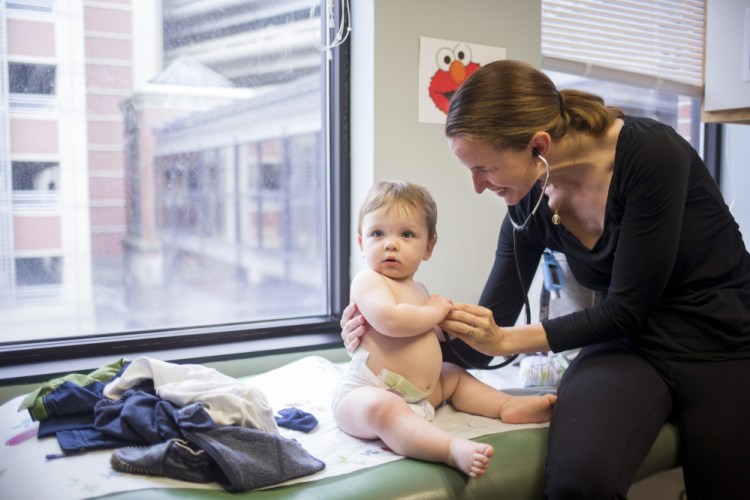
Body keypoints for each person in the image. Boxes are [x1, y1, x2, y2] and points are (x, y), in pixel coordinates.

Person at [341, 60, 750, 499]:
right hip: (628, 349)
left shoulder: (653, 155)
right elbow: (483, 337)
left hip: (719, 341)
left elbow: (627, 309)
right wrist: (391, 333)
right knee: (580, 483)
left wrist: (503, 341)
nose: (478, 186)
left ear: (538, 145)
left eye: (485, 169)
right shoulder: (529, 198)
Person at [332, 180, 556, 478]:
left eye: (407, 234)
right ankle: (449, 449)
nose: (390, 243)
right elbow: (392, 320)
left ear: (428, 247)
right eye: (377, 233)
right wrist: (434, 311)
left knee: (453, 376)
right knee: (382, 408)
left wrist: (445, 327)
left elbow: (421, 333)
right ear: (362, 244)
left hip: (422, 395)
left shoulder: (419, 289)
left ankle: (507, 406)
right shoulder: (368, 281)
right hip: (368, 390)